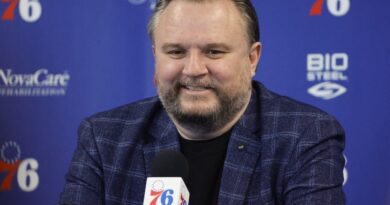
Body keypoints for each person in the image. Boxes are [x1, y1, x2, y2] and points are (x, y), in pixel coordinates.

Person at [59, 0, 346, 204]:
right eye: (175, 52)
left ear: (252, 59)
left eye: (213, 51)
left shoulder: (306, 136)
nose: (193, 69)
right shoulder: (103, 138)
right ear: (156, 57)